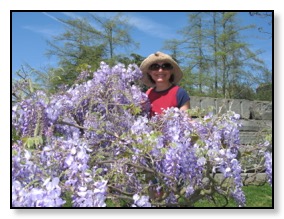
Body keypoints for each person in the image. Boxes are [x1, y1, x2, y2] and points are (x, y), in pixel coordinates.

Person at [140, 51, 190, 117]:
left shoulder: (180, 93)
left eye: (166, 66)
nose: (160, 70)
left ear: (171, 71)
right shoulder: (147, 94)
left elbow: (186, 121)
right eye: (155, 67)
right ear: (149, 72)